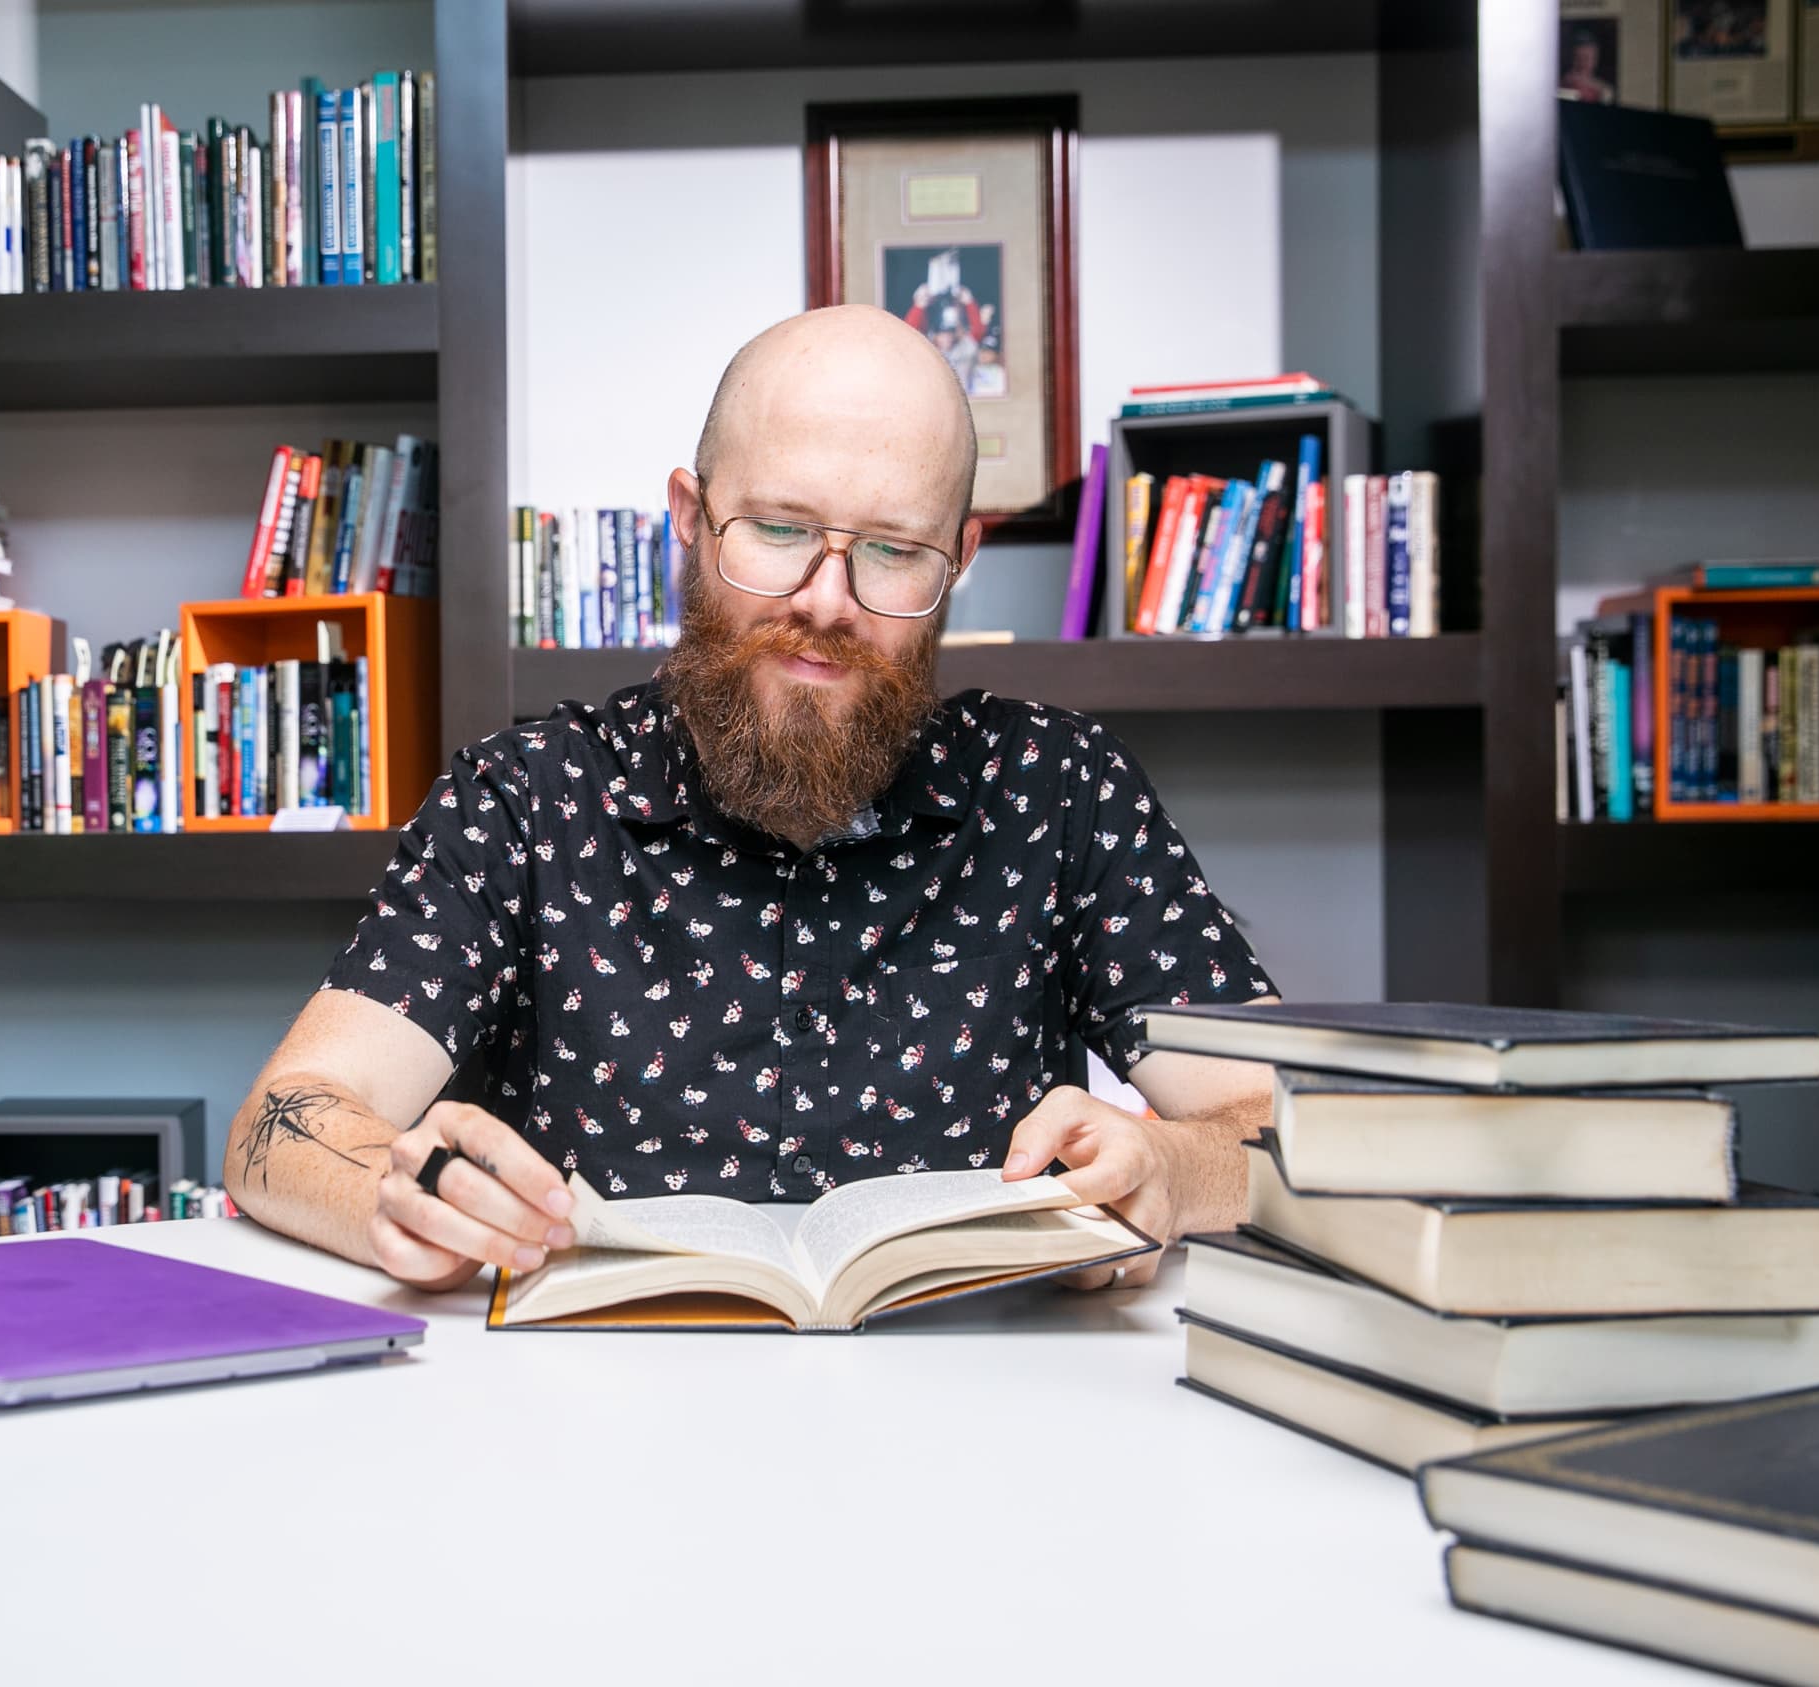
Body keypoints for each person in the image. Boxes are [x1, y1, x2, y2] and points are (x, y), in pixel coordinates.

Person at [225, 305, 1279, 1293]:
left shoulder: (1061, 791)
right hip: (580, 1438)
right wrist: (395, 1192)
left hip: (976, 1435)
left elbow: (1308, 1122)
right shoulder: (524, 801)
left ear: (959, 561)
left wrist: (1175, 1168)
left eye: (893, 550)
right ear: (690, 519)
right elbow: (281, 1120)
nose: (826, 602)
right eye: (778, 529)